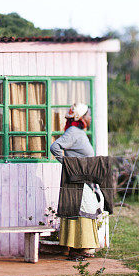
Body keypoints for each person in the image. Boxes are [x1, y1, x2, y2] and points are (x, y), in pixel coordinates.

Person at [50, 103, 98, 260]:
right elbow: (55, 146)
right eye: (87, 115)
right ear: (81, 118)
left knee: (84, 207)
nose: (90, 118)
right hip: (76, 179)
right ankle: (78, 247)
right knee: (83, 208)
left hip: (81, 179)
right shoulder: (73, 132)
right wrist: (67, 163)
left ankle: (78, 247)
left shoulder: (79, 132)